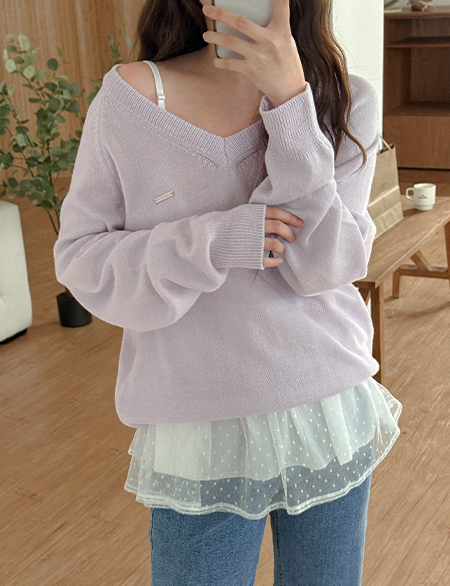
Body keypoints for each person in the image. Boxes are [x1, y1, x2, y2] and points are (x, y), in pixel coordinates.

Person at [54, 0, 402, 584]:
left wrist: (291, 105)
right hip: (198, 419)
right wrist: (215, 241)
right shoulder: (131, 99)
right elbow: (82, 260)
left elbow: (329, 266)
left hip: (327, 403)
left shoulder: (345, 100)